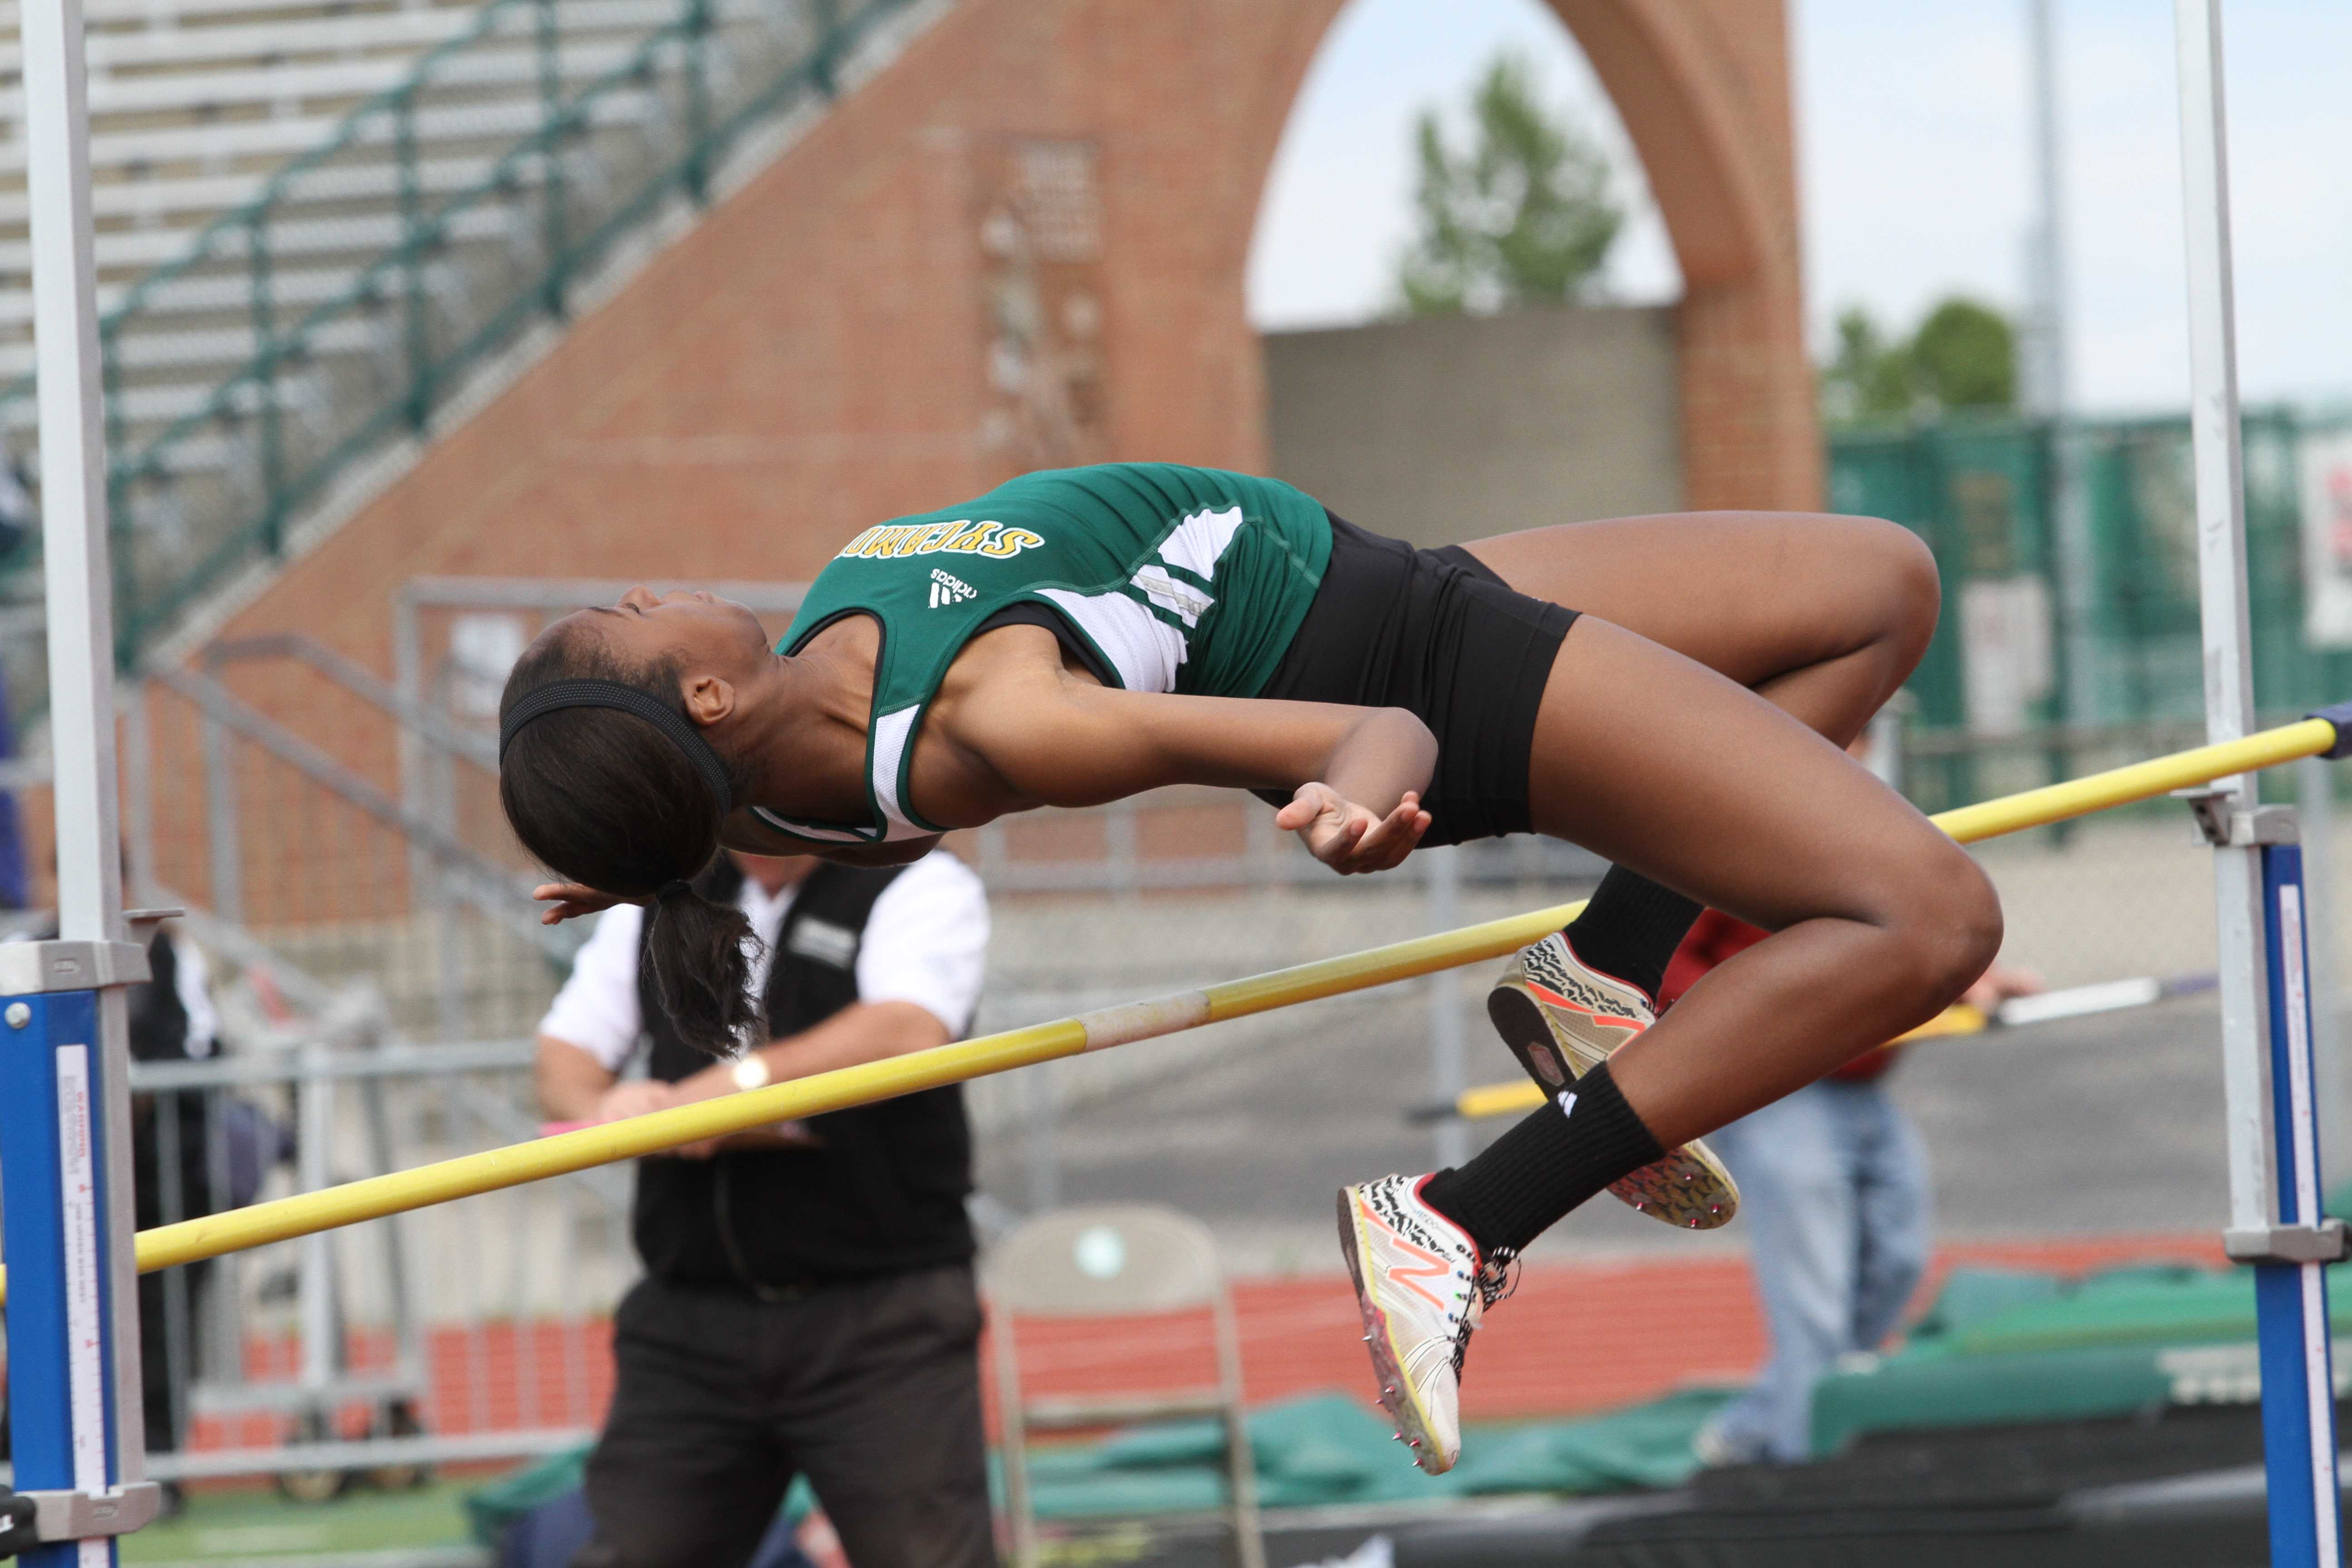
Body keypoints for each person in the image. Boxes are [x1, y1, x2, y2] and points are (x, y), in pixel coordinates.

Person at [495, 461, 2001, 1475]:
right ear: (705, 688)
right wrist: (1359, 795)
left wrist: (652, 852)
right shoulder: (1001, 717)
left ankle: (1593, 974)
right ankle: (1458, 1219)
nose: (642, 585)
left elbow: (780, 823)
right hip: (1425, 677)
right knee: (1927, 921)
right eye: (622, 618)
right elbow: (1369, 735)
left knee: (1877, 588)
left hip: (1397, 578)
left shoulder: (786, 769)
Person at [535, 846, 993, 1568]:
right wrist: (607, 1108)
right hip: (690, 1320)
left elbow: (908, 1028)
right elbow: (564, 1053)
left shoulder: (917, 881)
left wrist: (734, 1089)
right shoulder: (665, 893)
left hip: (880, 1320)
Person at [1665, 910, 2041, 1466]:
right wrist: (1752, 1025)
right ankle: (1805, 1464)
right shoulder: (1747, 840)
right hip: (1778, 1086)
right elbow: (1669, 959)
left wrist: (1966, 982)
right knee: (1814, 1303)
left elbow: (1899, 942)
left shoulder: (1877, 846)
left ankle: (1761, 1425)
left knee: (1898, 1262)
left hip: (1860, 1085)